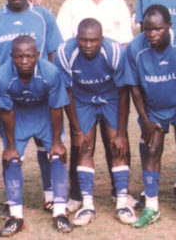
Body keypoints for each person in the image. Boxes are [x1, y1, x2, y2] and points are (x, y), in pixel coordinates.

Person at [0, 0, 64, 216]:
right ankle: (13, 200)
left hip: (40, 94)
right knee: (11, 146)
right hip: (10, 95)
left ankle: (50, 195)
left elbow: (52, 54)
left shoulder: (43, 15)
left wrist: (51, 87)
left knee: (46, 144)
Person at [118, 5, 176, 228]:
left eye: (158, 29)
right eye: (147, 29)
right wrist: (145, 120)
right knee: (152, 149)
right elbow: (133, 87)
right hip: (154, 107)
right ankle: (152, 207)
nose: (152, 34)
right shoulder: (135, 47)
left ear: (169, 26)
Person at [56, 18, 136, 226]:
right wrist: (76, 129)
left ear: (102, 38)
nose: (88, 45)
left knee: (117, 146)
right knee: (83, 146)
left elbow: (123, 92)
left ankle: (122, 202)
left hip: (110, 98)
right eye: (84, 40)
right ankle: (87, 204)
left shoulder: (115, 51)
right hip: (82, 101)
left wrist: (121, 132)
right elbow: (67, 92)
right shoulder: (65, 52)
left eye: (93, 40)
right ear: (77, 38)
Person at [0, 36, 72, 235]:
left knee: (56, 154)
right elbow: (6, 112)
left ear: (37, 55)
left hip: (44, 113)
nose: (24, 61)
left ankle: (60, 212)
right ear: (12, 57)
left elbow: (56, 107)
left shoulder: (50, 72)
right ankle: (16, 216)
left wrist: (56, 141)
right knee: (11, 158)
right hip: (18, 116)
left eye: (29, 56)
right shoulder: (1, 75)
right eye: (19, 57)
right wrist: (10, 146)